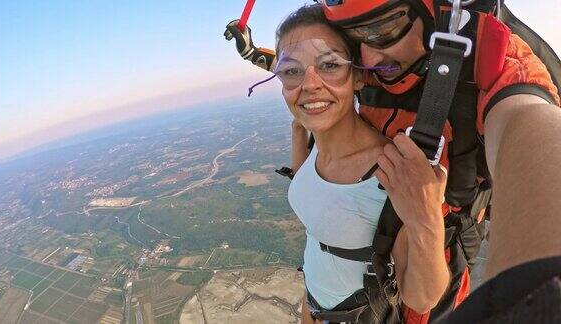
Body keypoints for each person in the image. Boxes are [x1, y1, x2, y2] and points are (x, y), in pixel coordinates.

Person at [225, 0, 560, 322]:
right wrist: (253, 53)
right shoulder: (374, 66)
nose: (369, 56)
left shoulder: (493, 61)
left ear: (435, 11)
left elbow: (529, 121)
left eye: (383, 28)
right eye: (354, 41)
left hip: (423, 263)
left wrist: (538, 300)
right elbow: (311, 71)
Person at [270, 4, 450, 323]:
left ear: (357, 77)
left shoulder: (390, 171)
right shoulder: (307, 137)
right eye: (292, 71)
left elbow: (422, 298)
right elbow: (315, 206)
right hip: (312, 308)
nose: (309, 84)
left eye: (329, 64)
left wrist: (427, 221)